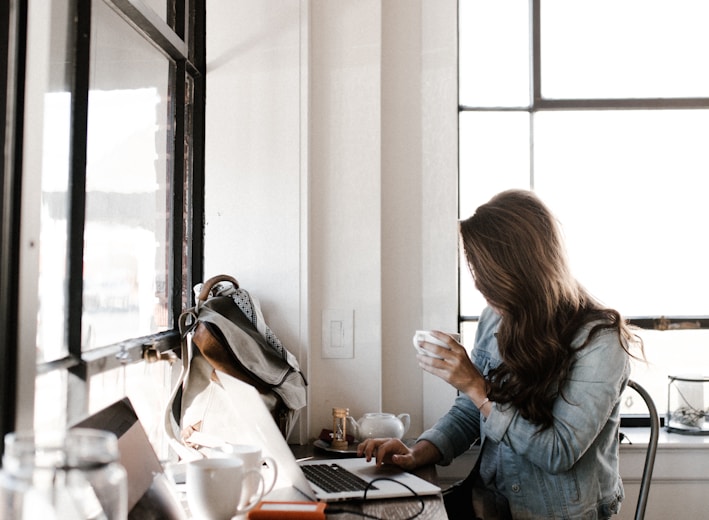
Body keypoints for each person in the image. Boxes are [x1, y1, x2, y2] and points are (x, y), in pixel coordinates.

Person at [358, 189, 644, 519]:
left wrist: (478, 387)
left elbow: (558, 452)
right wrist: (418, 452)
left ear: (522, 272)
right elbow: (470, 411)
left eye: (487, 278)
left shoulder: (600, 341)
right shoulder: (496, 317)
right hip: (487, 504)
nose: (480, 287)